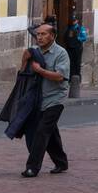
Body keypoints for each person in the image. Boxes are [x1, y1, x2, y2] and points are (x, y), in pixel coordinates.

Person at [20, 22, 70, 177]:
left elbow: (60, 76)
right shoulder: (34, 51)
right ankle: (61, 163)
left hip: (56, 99)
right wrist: (24, 60)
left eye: (43, 34)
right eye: (38, 34)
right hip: (38, 99)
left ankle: (32, 167)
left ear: (52, 36)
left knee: (41, 132)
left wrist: (40, 70)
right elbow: (23, 73)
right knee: (51, 133)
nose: (39, 37)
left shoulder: (61, 53)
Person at [61, 8, 87, 86]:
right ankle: (70, 78)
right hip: (70, 48)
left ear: (77, 21)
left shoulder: (80, 28)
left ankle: (77, 79)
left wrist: (78, 38)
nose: (73, 22)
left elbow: (84, 38)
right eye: (72, 20)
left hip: (77, 48)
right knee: (70, 63)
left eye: (74, 20)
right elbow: (65, 37)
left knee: (77, 63)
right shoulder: (69, 28)